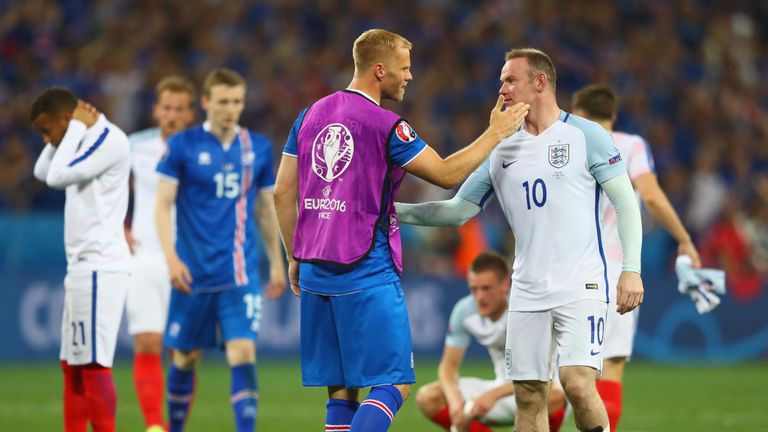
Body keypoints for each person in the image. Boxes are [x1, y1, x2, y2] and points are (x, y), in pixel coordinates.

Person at [272, 29, 529, 432]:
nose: (409, 76)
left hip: (316, 271)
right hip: (365, 269)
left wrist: (294, 254)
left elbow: (282, 193)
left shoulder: (309, 115)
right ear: (379, 70)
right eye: (404, 68)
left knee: (340, 391)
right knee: (394, 382)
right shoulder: (386, 125)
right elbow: (446, 174)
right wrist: (496, 132)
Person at [396, 48, 645, 432]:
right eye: (501, 81)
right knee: (528, 394)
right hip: (527, 289)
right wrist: (394, 211)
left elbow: (627, 202)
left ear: (540, 82)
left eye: (510, 80)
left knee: (578, 383)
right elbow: (458, 210)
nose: (502, 89)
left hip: (582, 283)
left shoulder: (585, 135)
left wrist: (631, 270)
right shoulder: (501, 150)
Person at [155, 68, 286, 432]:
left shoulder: (256, 147)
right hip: (192, 274)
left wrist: (277, 260)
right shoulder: (182, 146)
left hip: (238, 273)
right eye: (224, 101)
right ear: (207, 102)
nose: (231, 109)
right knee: (185, 357)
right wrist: (171, 259)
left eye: (238, 102)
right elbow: (162, 205)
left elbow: (264, 209)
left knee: (242, 351)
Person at [571, 83, 702, 431]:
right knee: (610, 365)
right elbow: (652, 197)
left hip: (570, 267)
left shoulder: (568, 142)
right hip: (618, 268)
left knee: (561, 372)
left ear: (577, 113)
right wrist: (684, 239)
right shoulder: (631, 145)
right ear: (613, 114)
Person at [31, 87, 131, 432]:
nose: (47, 139)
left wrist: (71, 128)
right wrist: (66, 132)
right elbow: (41, 171)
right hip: (82, 268)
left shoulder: (110, 140)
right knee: (71, 366)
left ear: (65, 119)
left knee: (93, 365)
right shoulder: (77, 140)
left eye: (48, 130)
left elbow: (56, 177)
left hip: (100, 266)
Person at [415, 252, 568, 432]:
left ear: (505, 285)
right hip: (502, 390)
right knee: (428, 397)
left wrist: (491, 396)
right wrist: (455, 401)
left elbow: (537, 374)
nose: (479, 296)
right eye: (474, 289)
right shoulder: (464, 311)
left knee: (555, 396)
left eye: (486, 288)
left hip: (541, 389)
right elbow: (448, 367)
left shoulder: (526, 311)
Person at [125, 76, 196, 432]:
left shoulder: (205, 149)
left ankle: (175, 424)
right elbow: (110, 189)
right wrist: (118, 227)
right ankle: (155, 425)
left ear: (190, 114)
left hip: (186, 259)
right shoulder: (132, 146)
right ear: (155, 110)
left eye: (179, 109)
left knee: (182, 352)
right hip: (142, 256)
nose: (171, 115)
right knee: (147, 341)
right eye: (166, 108)